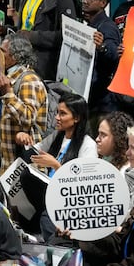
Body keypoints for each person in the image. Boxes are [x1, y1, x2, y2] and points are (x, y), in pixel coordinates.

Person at [23, 92, 97, 240]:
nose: (57, 117)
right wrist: (24, 140)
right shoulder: (58, 135)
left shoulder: (88, 145)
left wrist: (56, 165)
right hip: (48, 192)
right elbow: (32, 153)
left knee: (46, 222)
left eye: (62, 114)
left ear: (76, 118)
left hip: (66, 203)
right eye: (57, 112)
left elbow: (84, 184)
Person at [17, 0, 78, 80]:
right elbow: (25, 25)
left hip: (47, 66)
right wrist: (6, 29)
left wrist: (33, 36)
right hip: (24, 60)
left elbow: (67, 35)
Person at [0, 34, 48, 172]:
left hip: (25, 165)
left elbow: (28, 118)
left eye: (3, 51)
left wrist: (7, 94)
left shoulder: (29, 80)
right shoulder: (12, 78)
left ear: (15, 56)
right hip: (11, 162)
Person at [80, 0, 121, 127]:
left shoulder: (107, 27)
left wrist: (101, 47)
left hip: (103, 102)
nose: (85, 1)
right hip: (91, 97)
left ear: (103, 3)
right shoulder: (89, 24)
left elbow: (114, 55)